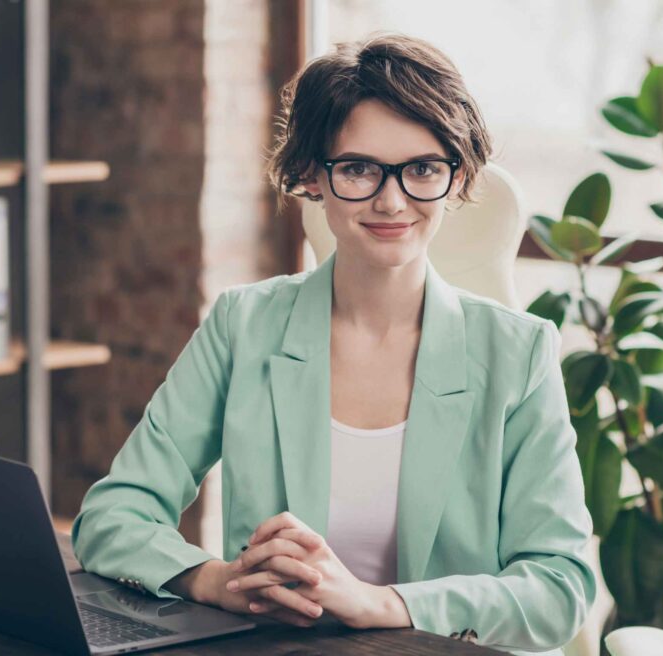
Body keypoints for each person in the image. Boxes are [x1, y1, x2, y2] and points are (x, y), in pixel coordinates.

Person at [72, 32, 596, 655]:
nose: (391, 199)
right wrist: (216, 581)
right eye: (357, 169)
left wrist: (385, 604)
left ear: (458, 180)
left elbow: (560, 587)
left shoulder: (521, 353)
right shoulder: (244, 326)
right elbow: (113, 515)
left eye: (423, 169)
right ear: (311, 176)